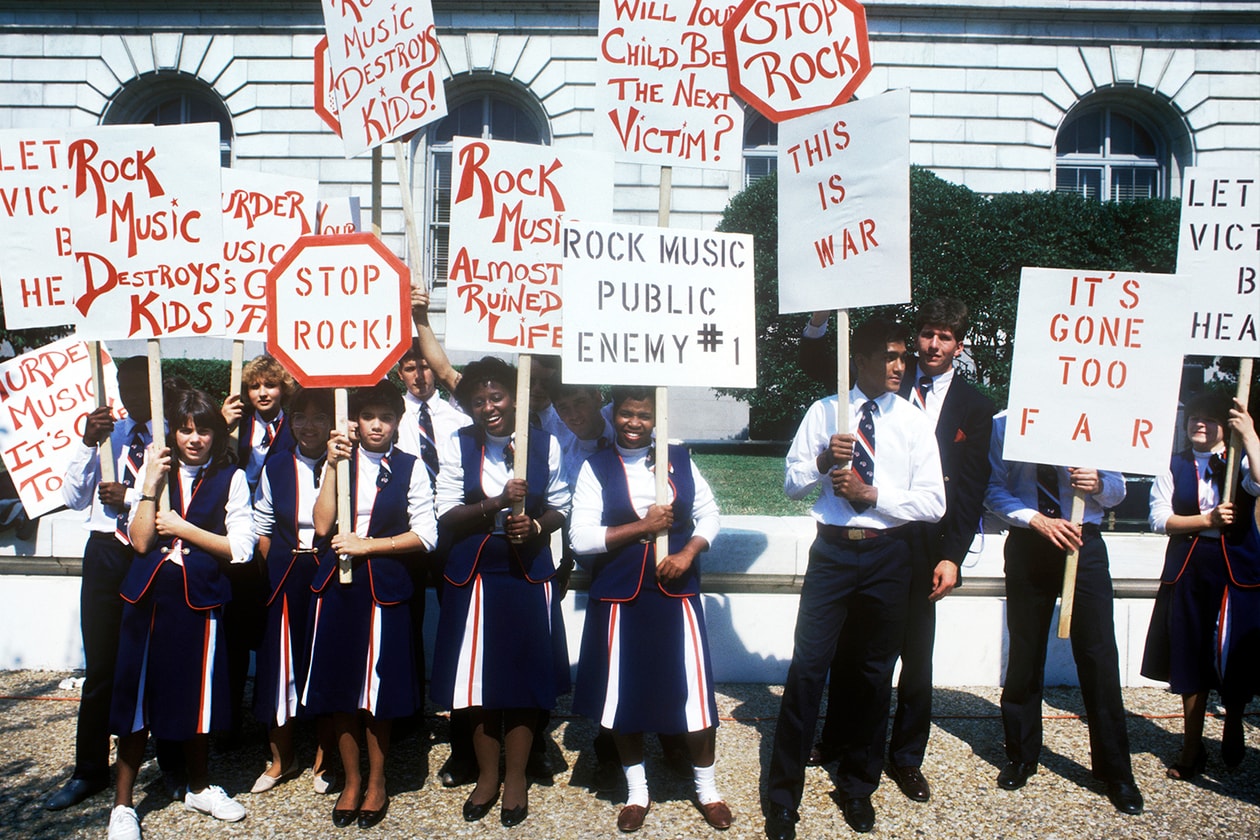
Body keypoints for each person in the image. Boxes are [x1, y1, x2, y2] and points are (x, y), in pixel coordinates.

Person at [806, 300, 994, 804]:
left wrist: (952, 554)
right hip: (874, 539)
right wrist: (820, 320)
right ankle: (840, 738)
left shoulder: (975, 407)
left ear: (959, 345)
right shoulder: (890, 381)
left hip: (928, 544)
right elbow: (822, 362)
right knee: (855, 649)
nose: (933, 346)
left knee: (916, 656)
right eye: (927, 335)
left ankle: (906, 757)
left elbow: (970, 489)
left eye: (946, 337)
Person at [764, 319, 945, 840]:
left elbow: (935, 503)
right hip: (833, 554)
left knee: (872, 675)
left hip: (889, 555)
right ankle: (783, 798)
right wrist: (824, 459)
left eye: (902, 357)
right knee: (806, 672)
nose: (899, 366)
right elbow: (791, 486)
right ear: (859, 359)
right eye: (888, 356)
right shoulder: (825, 412)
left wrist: (875, 497)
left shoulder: (912, 422)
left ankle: (857, 787)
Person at [570, 386, 733, 833]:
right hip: (621, 597)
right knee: (625, 697)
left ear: (655, 418)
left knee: (694, 695)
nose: (634, 423)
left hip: (675, 595)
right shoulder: (596, 466)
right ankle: (637, 791)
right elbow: (580, 537)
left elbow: (710, 514)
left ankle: (707, 789)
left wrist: (688, 553)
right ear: (613, 415)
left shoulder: (678, 459)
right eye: (626, 414)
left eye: (643, 415)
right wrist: (643, 526)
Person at [107, 389, 257, 840]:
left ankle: (198, 785)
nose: (194, 439)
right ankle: (122, 806)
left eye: (204, 429)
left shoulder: (232, 478)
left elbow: (242, 549)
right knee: (136, 699)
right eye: (186, 429)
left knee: (198, 698)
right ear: (173, 430)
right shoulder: (153, 471)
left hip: (200, 601)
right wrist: (150, 487)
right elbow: (139, 541)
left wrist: (186, 529)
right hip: (147, 600)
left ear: (217, 433)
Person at [429, 356, 571, 829]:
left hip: (525, 571)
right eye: (478, 400)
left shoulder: (545, 444)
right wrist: (494, 503)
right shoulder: (459, 443)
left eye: (497, 396)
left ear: (515, 396)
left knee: (525, 679)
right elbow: (446, 512)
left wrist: (533, 524)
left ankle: (515, 778)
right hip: (474, 571)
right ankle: (486, 776)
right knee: (477, 681)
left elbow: (561, 508)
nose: (488, 407)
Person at [984, 413, 1143, 814]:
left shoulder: (1092, 420)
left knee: (1098, 654)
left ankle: (1116, 772)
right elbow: (992, 488)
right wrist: (1035, 519)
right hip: (1029, 540)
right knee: (1025, 649)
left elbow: (1118, 490)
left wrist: (1098, 483)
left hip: (1082, 543)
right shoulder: (1004, 423)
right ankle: (1021, 754)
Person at [303, 381, 437, 830]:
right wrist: (330, 468)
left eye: (385, 416)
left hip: (385, 589)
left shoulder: (411, 468)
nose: (376, 424)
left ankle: (378, 780)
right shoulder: (339, 461)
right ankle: (352, 779)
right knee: (342, 689)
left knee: (378, 692)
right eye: (368, 416)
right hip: (339, 591)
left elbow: (426, 535)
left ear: (397, 422)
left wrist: (369, 546)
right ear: (355, 422)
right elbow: (322, 526)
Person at [47, 357, 156, 812]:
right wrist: (87, 444)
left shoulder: (171, 436)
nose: (133, 399)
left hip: (150, 549)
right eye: (125, 389)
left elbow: (182, 498)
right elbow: (74, 499)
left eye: (141, 389)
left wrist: (130, 496)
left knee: (156, 661)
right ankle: (89, 769)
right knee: (101, 668)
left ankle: (171, 762)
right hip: (105, 551)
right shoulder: (108, 435)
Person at [1141, 392, 1260, 776]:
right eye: (1194, 418)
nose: (1199, 425)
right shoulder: (1172, 465)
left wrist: (1252, 434)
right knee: (1189, 654)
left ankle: (1233, 722)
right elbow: (1160, 519)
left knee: (1233, 651)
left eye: (1209, 419)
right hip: (1189, 568)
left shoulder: (1241, 459)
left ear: (1224, 427)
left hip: (1237, 567)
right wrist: (1205, 521)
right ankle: (1192, 746)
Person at [249, 386, 338, 794]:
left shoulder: (346, 467)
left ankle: (325, 756)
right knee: (280, 664)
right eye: (301, 417)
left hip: (328, 570)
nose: (309, 426)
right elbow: (263, 525)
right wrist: (268, 577)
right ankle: (283, 757)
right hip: (286, 574)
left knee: (323, 660)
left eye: (320, 417)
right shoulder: (277, 464)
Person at [392, 342, 473, 772]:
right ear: (400, 374)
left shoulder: (458, 417)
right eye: (410, 367)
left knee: (455, 619)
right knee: (405, 615)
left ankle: (460, 711)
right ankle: (404, 711)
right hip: (405, 530)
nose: (420, 375)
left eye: (425, 366)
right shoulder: (392, 417)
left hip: (454, 529)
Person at [220, 354, 296, 742]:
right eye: (255, 386)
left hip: (276, 535)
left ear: (283, 387)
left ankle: (279, 720)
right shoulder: (237, 425)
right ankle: (227, 723)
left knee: (272, 631)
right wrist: (222, 426)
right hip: (234, 529)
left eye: (270, 385)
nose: (262, 393)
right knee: (232, 632)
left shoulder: (297, 426)